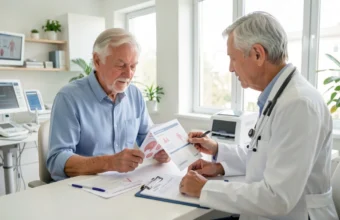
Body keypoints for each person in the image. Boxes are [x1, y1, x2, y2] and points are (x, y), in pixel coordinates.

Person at [180, 12, 339, 220]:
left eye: (233, 58)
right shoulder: (279, 97)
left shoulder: (298, 104)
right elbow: (263, 155)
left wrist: (205, 189)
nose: (230, 68)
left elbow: (277, 198)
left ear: (257, 54)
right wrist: (218, 154)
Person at [47, 28, 170, 181]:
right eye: (121, 65)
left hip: (125, 185)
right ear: (97, 61)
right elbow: (57, 160)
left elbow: (147, 138)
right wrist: (109, 162)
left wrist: (161, 149)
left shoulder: (135, 95)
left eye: (133, 66)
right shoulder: (69, 98)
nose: (128, 74)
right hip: (83, 190)